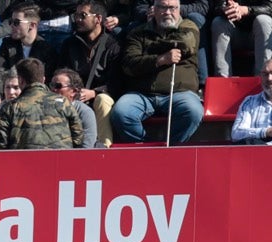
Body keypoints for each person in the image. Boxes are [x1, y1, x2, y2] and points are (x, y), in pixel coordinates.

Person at [113, 0, 204, 143]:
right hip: (142, 94)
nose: (167, 12)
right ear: (153, 10)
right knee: (121, 112)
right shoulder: (138, 32)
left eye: (172, 8)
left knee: (193, 111)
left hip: (180, 93)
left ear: (179, 10)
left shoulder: (188, 26)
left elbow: (185, 44)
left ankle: (171, 148)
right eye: (162, 7)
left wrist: (148, 49)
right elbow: (129, 64)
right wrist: (160, 59)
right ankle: (147, 147)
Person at [58, 0, 122, 145]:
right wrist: (72, 91)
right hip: (74, 96)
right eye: (76, 16)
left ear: (98, 19)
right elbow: (61, 72)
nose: (78, 20)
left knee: (102, 100)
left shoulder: (113, 45)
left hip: (101, 95)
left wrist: (94, 92)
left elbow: (117, 81)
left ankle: (104, 148)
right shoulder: (69, 44)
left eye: (83, 15)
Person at [210, 0, 272, 78]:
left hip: (260, 33)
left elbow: (271, 8)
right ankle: (222, 78)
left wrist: (246, 10)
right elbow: (217, 8)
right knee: (218, 22)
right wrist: (228, 9)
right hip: (234, 31)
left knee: (263, 20)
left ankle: (263, 76)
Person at [46, 69, 101, 147]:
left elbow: (87, 148)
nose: (53, 89)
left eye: (58, 86)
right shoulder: (44, 109)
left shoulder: (84, 112)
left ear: (73, 91)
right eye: (52, 85)